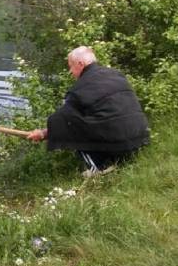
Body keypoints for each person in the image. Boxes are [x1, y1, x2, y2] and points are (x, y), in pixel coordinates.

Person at [27, 46, 149, 177]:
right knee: (103, 120)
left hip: (119, 140)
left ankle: (99, 167)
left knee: (73, 126)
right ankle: (119, 159)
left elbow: (62, 119)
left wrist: (42, 133)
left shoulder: (80, 87)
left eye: (71, 66)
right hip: (140, 138)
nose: (70, 72)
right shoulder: (116, 74)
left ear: (80, 64)